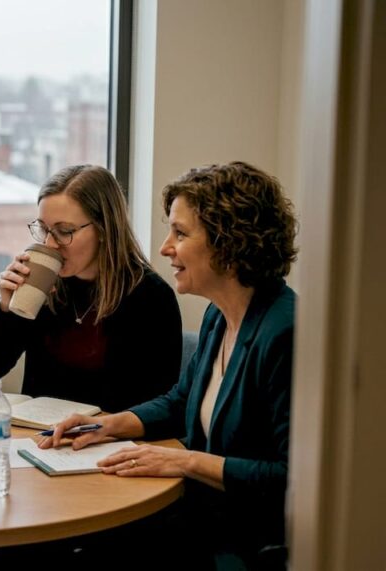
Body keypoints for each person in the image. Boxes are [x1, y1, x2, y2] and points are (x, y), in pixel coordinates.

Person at [43, 161, 298, 568]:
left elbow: (291, 478)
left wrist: (187, 461)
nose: (165, 248)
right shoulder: (220, 315)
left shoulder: (284, 332)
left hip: (241, 539)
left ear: (228, 242)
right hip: (198, 514)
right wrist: (107, 424)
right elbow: (181, 401)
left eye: (180, 233)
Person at [0, 165, 182, 413]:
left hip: (109, 441)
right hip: (40, 438)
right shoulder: (47, 285)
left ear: (104, 229)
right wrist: (6, 309)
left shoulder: (150, 297)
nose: (50, 243)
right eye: (44, 229)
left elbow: (154, 405)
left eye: (64, 231)